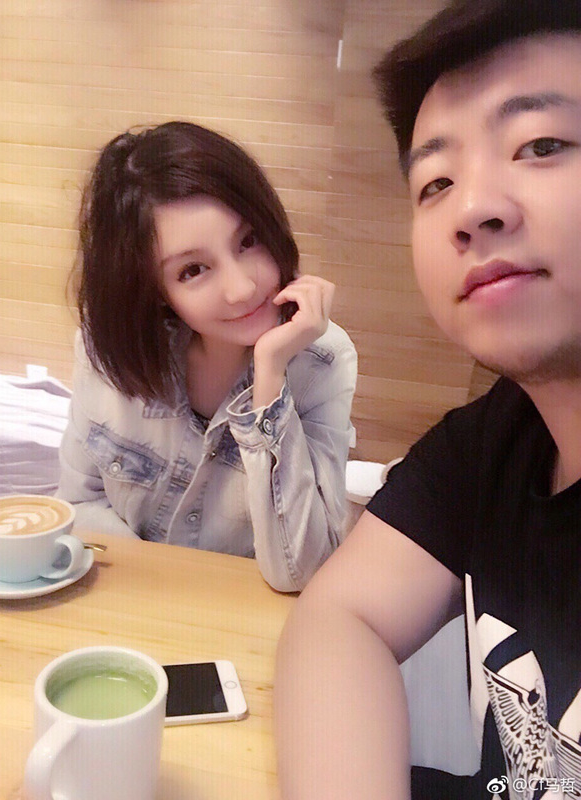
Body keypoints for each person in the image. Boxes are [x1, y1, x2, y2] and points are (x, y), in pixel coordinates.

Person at [274, 0, 581, 795]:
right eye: (435, 182)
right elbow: (339, 614)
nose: (472, 210)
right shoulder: (492, 441)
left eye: (542, 144)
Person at [56, 121, 357, 593]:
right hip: (128, 608)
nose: (242, 288)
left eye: (248, 241)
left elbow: (302, 569)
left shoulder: (320, 361)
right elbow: (79, 505)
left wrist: (270, 376)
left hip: (240, 622)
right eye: (193, 269)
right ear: (153, 289)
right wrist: (164, 594)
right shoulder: (108, 351)